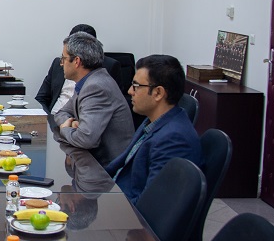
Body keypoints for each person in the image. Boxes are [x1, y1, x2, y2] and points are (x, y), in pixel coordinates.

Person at [106, 55, 202, 204]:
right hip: (113, 193)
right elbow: (121, 166)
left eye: (136, 86)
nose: (130, 91)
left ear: (158, 93)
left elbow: (150, 204)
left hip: (125, 210)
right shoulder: (153, 120)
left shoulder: (174, 140)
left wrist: (106, 205)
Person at [54, 31, 134, 169]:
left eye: (64, 58)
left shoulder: (96, 87)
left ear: (77, 61)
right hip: (92, 161)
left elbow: (85, 139)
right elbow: (61, 113)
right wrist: (73, 124)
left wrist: (65, 129)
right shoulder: (88, 81)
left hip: (108, 170)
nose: (61, 64)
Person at [35, 24, 123, 119]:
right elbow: (42, 98)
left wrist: (67, 123)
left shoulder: (98, 81)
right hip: (54, 117)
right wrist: (47, 119)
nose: (62, 63)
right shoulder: (58, 63)